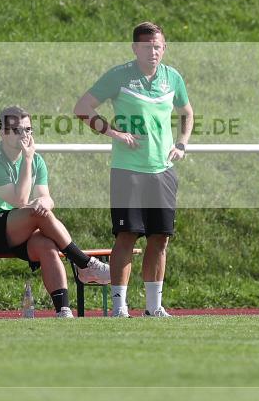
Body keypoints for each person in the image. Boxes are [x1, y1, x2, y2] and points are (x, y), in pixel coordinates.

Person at [74, 21, 193, 317]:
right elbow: (82, 107)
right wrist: (114, 133)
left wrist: (181, 144)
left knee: (160, 237)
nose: (153, 52)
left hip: (163, 171)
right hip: (128, 170)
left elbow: (186, 112)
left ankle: (153, 307)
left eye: (157, 46)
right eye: (146, 47)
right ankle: (119, 307)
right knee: (126, 236)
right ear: (135, 49)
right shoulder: (119, 75)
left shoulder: (172, 78)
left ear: (164, 48)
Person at [0, 105, 112, 318]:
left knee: (47, 244)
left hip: (24, 225)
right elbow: (19, 201)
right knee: (37, 213)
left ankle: (63, 309)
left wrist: (41, 203)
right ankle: (83, 262)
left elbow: (48, 199)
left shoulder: (36, 160)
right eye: (18, 130)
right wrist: (28, 160)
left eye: (28, 130)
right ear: (3, 133)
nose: (25, 135)